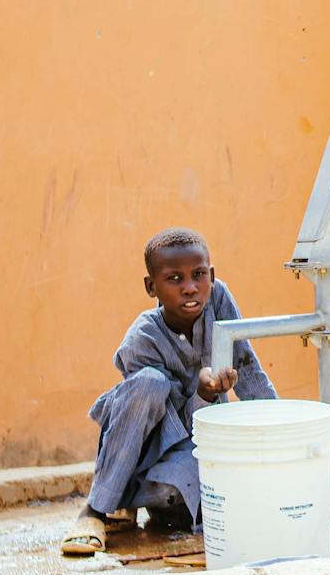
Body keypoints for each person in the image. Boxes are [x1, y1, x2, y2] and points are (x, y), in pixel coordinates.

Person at [61, 228, 276, 555]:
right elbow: (160, 426)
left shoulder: (217, 300)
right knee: (151, 385)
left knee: (181, 496)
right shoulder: (141, 340)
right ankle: (96, 509)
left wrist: (282, 439)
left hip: (195, 444)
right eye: (174, 278)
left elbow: (247, 369)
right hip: (152, 447)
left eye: (198, 275)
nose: (190, 287)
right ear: (152, 287)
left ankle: (132, 501)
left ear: (212, 277)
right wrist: (204, 394)